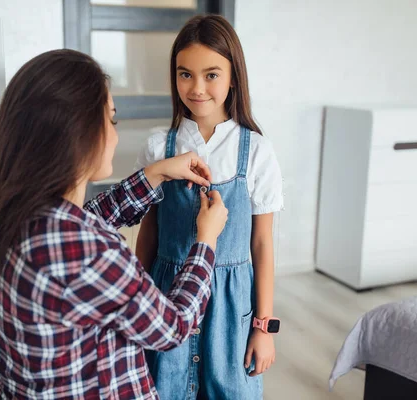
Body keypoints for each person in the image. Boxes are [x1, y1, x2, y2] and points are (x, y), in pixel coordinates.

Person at [0, 48, 229, 399]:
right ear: (81, 133)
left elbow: (85, 219)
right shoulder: (91, 251)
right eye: (111, 120)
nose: (115, 136)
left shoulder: (11, 217)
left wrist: (155, 174)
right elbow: (173, 327)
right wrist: (206, 240)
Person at [135, 15, 284, 399]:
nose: (197, 88)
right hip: (169, 297)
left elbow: (263, 244)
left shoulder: (256, 152)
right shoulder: (159, 148)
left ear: (234, 77)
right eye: (185, 75)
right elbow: (148, 233)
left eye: (212, 75)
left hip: (232, 308)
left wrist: (263, 328)